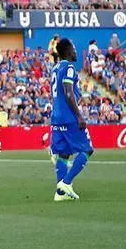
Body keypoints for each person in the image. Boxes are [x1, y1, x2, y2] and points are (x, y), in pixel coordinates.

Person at [50, 38, 93, 201]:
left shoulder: (55, 68)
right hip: (69, 117)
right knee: (87, 149)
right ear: (68, 51)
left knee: (63, 154)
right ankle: (66, 183)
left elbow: (63, 93)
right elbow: (68, 93)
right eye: (74, 49)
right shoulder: (68, 67)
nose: (76, 51)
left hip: (56, 118)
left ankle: (60, 193)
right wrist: (79, 116)